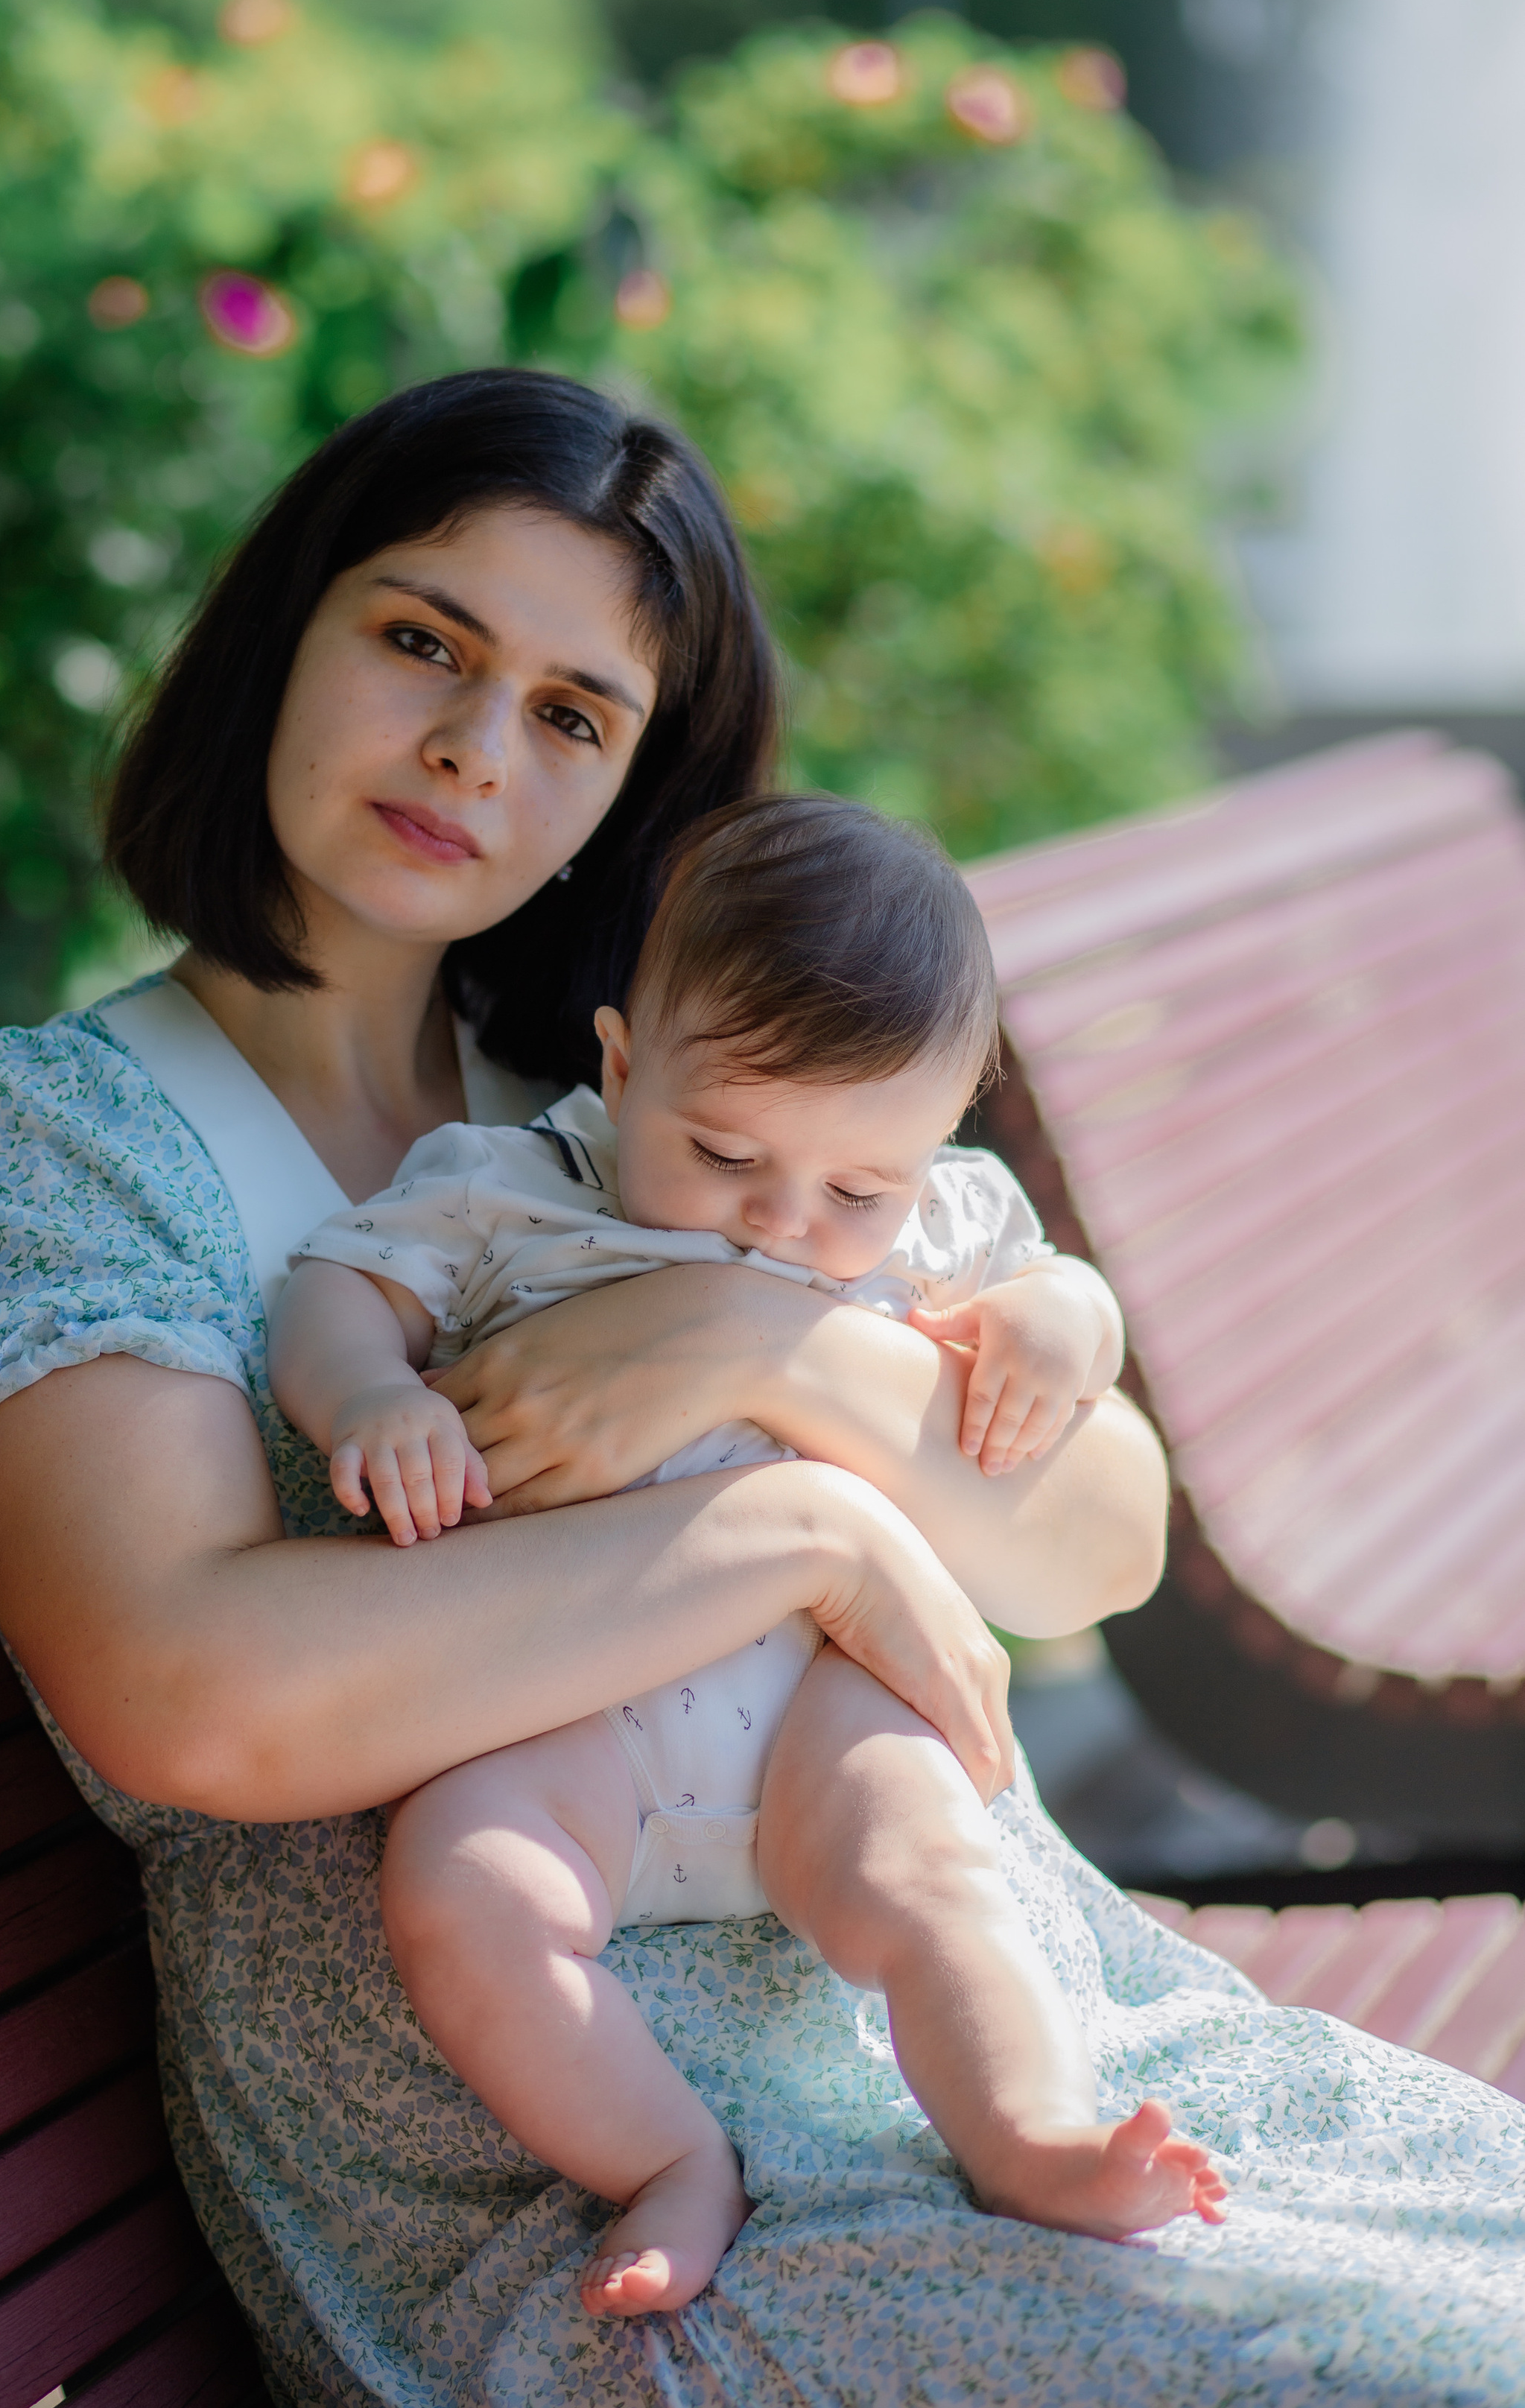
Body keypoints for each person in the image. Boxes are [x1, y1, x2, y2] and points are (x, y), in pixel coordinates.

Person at [0, 370, 1525, 2408]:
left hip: (1009, 2031)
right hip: (568, 2210)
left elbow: (1091, 1544)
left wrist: (755, 1340)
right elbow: (192, 1692)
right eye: (421, 641)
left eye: (575, 712)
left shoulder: (664, 1101)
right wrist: (804, 1535)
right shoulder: (51, 1135)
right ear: (285, 624)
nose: (477, 747)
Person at [271, 794, 1228, 2321]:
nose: (785, 1221)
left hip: (819, 1709)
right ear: (620, 1061)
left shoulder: (946, 1221)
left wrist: (1061, 1324)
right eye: (720, 1151)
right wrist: (375, 1393)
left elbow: (1064, 1311)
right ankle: (665, 2162)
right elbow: (332, 1293)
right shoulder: (504, 1186)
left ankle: (1030, 2135)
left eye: (859, 1191)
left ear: (931, 1146)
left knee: (933, 1877)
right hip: (567, 1703)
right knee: (461, 1895)